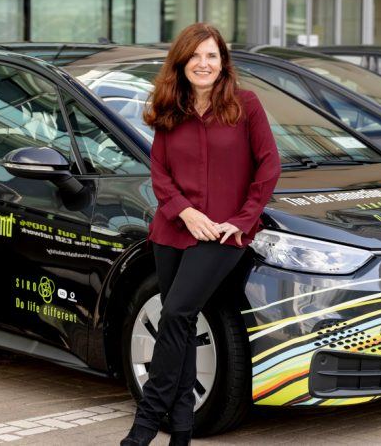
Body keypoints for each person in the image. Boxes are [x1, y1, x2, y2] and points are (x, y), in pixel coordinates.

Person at [121, 23, 281, 446]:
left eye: (212, 56)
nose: (204, 63)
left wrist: (243, 220)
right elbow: (159, 172)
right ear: (182, 62)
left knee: (175, 314)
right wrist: (185, 212)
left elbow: (269, 167)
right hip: (172, 231)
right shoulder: (169, 109)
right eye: (195, 56)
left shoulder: (246, 105)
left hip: (223, 235)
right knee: (183, 324)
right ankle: (182, 432)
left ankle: (144, 425)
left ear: (223, 61)